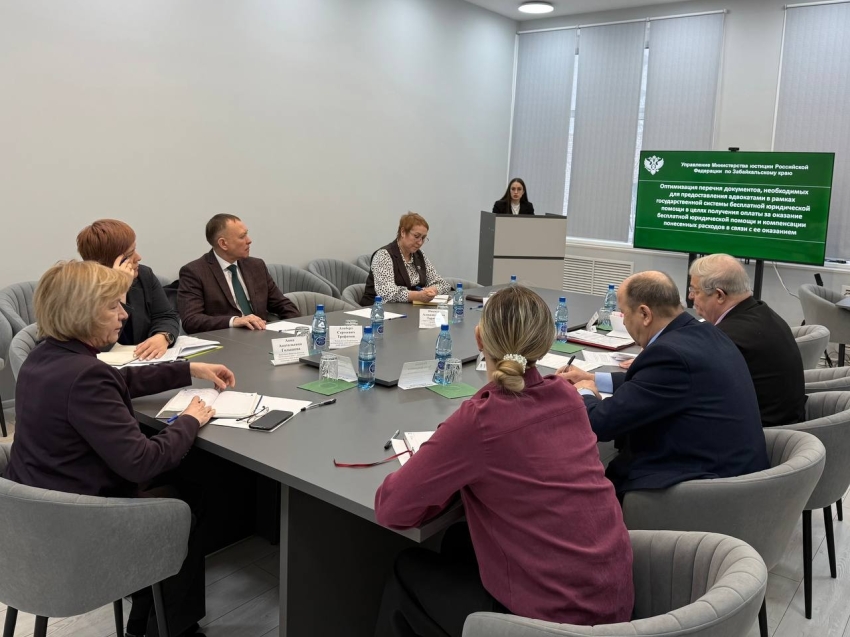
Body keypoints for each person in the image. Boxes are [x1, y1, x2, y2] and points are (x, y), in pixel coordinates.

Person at [373, 286, 634, 637]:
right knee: (459, 540)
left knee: (407, 568)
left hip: (555, 623)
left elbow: (392, 509)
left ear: (479, 339)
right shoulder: (567, 396)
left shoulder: (481, 420)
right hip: (613, 603)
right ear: (545, 342)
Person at [3, 260, 236, 637]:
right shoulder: (86, 375)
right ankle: (172, 628)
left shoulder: (43, 358)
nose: (124, 315)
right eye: (113, 306)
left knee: (188, 484)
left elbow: (116, 379)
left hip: (35, 517)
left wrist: (188, 370)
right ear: (82, 312)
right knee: (188, 498)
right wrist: (190, 419)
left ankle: (144, 617)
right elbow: (142, 463)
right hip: (81, 526)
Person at [558, 271, 769, 496]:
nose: (624, 321)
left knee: (572, 484)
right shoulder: (705, 332)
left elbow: (599, 424)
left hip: (700, 490)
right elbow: (654, 385)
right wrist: (594, 379)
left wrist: (584, 392)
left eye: (624, 313)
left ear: (645, 314)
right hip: (735, 472)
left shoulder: (669, 355)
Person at [689, 253, 806, 427]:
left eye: (695, 291)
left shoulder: (728, 339)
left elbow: (695, 395)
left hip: (765, 434)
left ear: (719, 295)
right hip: (787, 423)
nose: (691, 297)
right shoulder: (763, 312)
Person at [77, 219, 180, 360]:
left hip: (144, 362)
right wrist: (120, 288)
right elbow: (101, 345)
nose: (138, 257)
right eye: (130, 254)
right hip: (101, 366)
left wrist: (163, 336)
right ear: (108, 261)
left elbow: (166, 316)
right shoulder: (79, 288)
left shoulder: (144, 275)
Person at [177, 214, 299, 333]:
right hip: (226, 340)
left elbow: (282, 304)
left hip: (261, 335)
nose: (249, 240)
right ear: (223, 244)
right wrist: (234, 321)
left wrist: (297, 329)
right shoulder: (195, 272)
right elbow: (191, 320)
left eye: (247, 234)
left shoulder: (256, 266)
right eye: (242, 237)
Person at [360, 212, 452, 305]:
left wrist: (432, 290)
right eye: (416, 236)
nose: (420, 242)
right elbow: (387, 293)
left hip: (409, 309)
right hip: (377, 310)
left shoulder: (419, 255)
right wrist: (417, 296)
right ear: (403, 232)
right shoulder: (383, 255)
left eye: (423, 238)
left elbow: (442, 284)